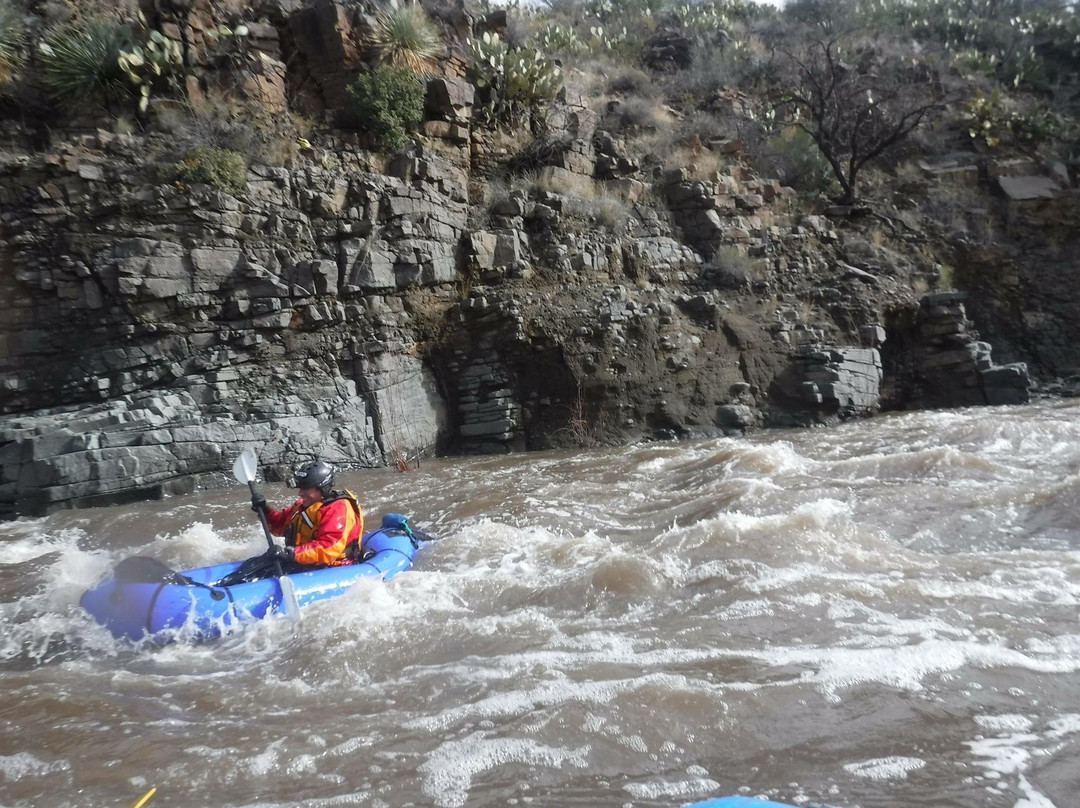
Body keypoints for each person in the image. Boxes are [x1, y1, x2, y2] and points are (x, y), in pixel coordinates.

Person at [252, 460, 365, 572]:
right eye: (300, 488)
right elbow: (280, 527)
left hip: (333, 567)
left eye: (306, 488)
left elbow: (329, 547)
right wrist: (265, 510)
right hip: (304, 561)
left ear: (322, 488)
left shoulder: (338, 508)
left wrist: (291, 554)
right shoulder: (302, 506)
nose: (300, 493)